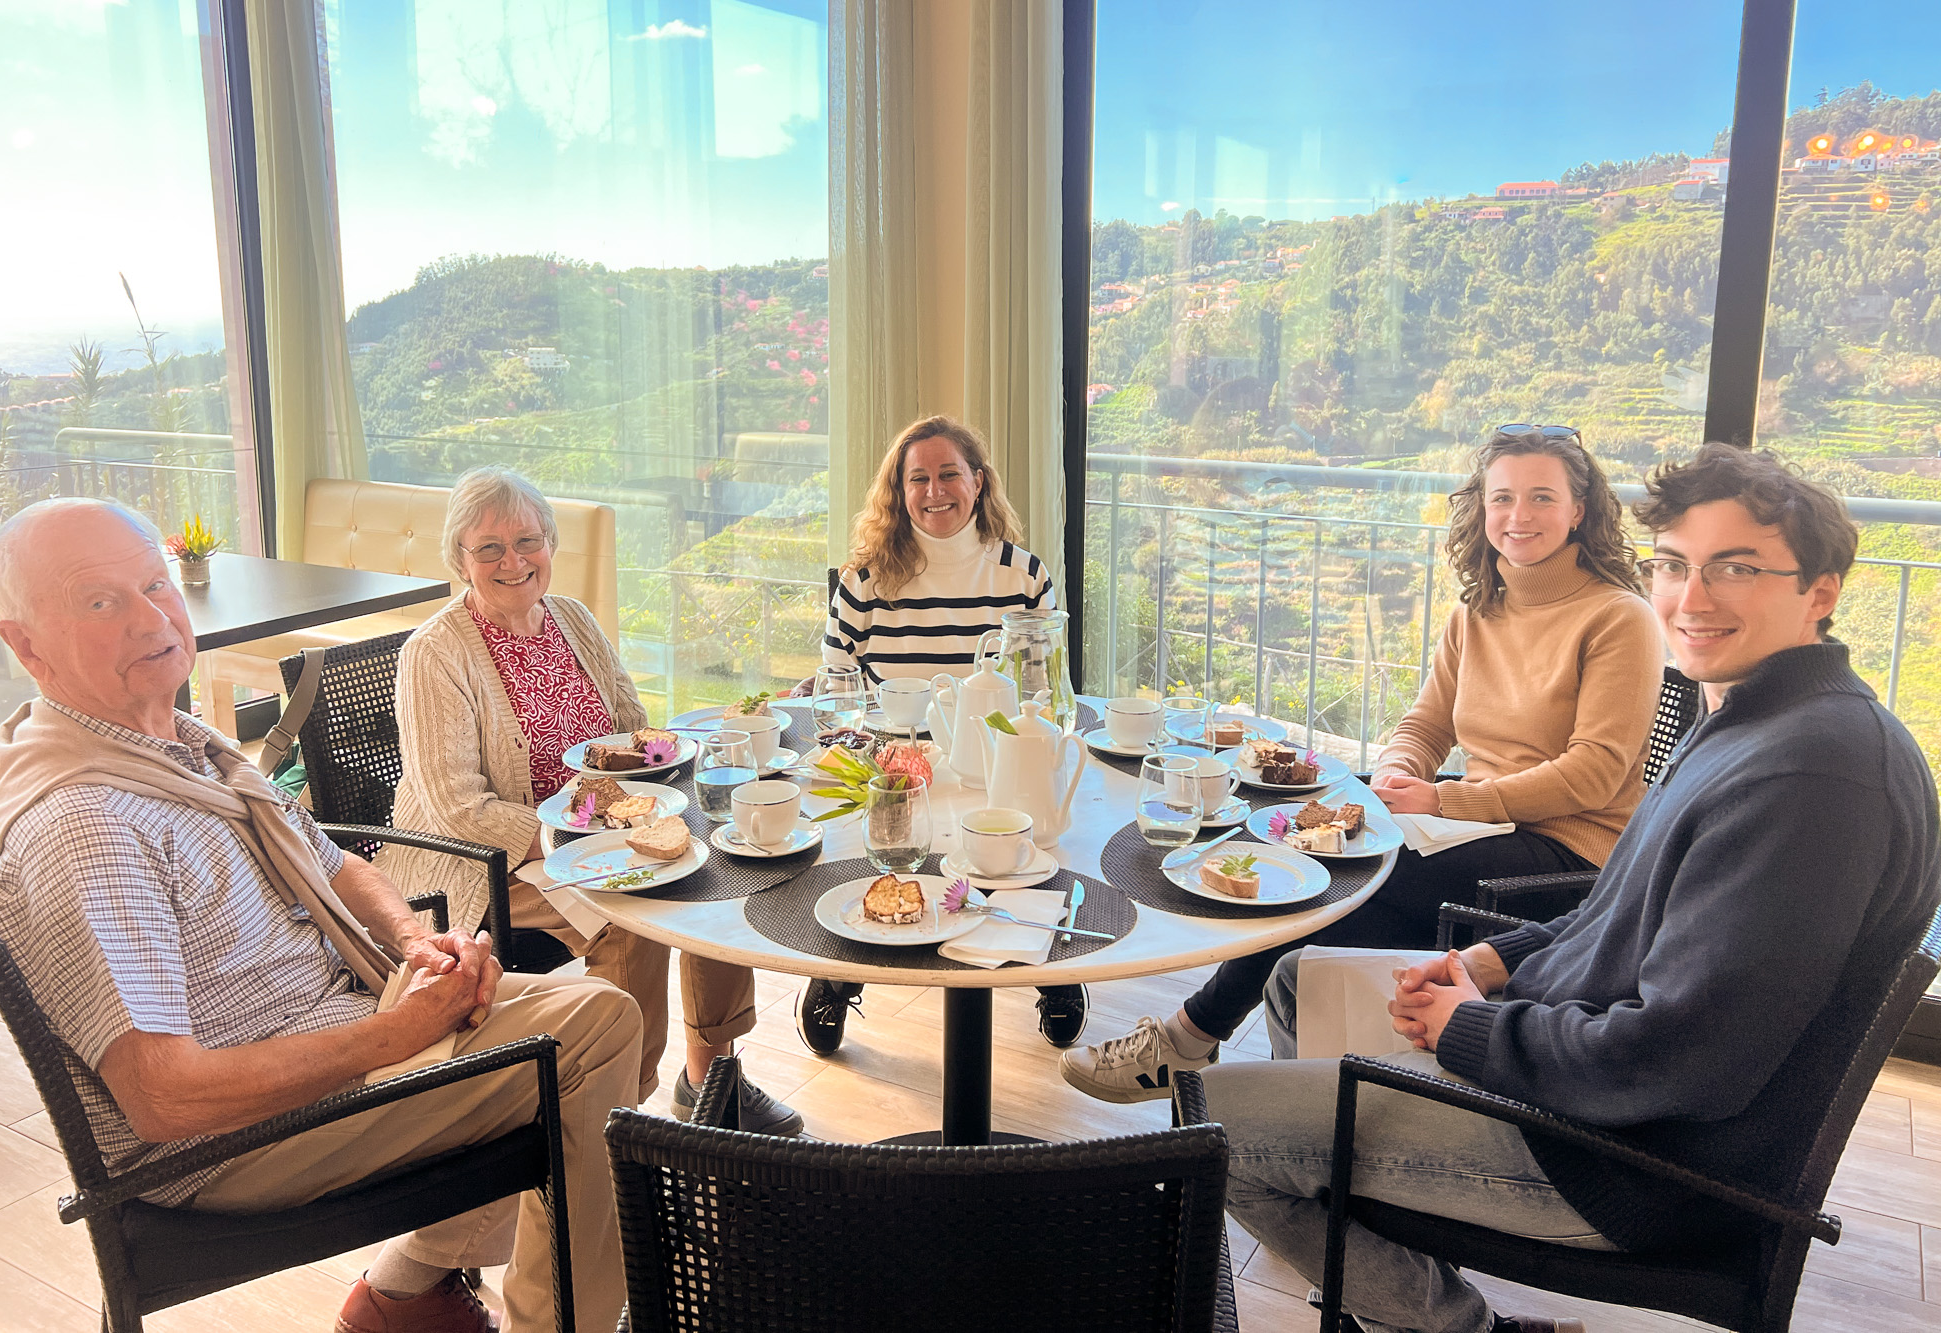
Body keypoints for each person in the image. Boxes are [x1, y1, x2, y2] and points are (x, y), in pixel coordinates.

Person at [1204, 444, 1940, 1333]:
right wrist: (1493, 960)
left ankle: (1453, 1324)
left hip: (1625, 1159)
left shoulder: (1812, 777)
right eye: (1674, 564)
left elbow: (1683, 1059)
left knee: (1215, 1126)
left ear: (1820, 592)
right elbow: (1614, 911)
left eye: (1737, 568)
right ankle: (1386, 1277)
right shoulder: (1751, 716)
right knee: (1298, 979)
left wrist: (1472, 1029)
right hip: (1582, 1086)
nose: (1692, 597)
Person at [0, 497, 646, 1333]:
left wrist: (416, 940)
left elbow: (337, 864)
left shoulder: (177, 746)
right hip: (238, 1141)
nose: (150, 618)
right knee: (590, 1040)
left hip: (344, 1022)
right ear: (26, 644)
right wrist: (392, 1036)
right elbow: (164, 1099)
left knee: (597, 1013)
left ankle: (409, 1294)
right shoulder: (89, 824)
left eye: (155, 583)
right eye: (100, 601)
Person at [1063, 426, 1665, 1103]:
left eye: (1541, 497)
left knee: (1330, 875)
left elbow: (1595, 772)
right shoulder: (1479, 610)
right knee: (1316, 918)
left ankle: (1187, 1039)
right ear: (1482, 507)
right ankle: (1295, 1105)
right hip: (1478, 827)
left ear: (1579, 509)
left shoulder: (1620, 617)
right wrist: (1397, 773)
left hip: (1565, 853)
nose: (1518, 515)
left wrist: (1442, 800)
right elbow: (1427, 724)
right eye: (1502, 497)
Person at [381, 466, 802, 1134]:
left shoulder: (571, 618)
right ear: (459, 559)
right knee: (630, 913)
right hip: (493, 858)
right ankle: (622, 1113)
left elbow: (634, 728)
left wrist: (652, 803)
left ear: (550, 543)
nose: (513, 560)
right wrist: (579, 840)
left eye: (528, 540)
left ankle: (711, 1080)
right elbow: (460, 807)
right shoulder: (434, 654)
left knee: (716, 864)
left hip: (600, 831)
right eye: (489, 547)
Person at [798, 415, 1088, 1052]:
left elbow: (1043, 688)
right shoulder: (865, 579)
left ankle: (1053, 967)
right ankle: (837, 970)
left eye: (949, 474)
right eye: (918, 479)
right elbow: (837, 686)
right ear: (899, 491)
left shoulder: (1022, 575)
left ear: (978, 482)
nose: (935, 491)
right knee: (868, 849)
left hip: (996, 755)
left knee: (1037, 838)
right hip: (896, 760)